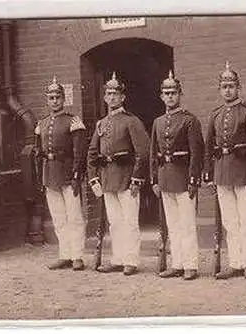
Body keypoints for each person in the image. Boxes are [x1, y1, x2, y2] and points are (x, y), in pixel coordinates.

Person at [203, 61, 246, 280]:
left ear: (238, 87)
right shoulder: (215, 115)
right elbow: (208, 146)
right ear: (219, 89)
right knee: (229, 221)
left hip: (243, 173)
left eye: (231, 86)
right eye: (224, 86)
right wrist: (209, 175)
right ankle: (235, 262)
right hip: (222, 172)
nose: (227, 90)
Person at [87, 72, 150, 276]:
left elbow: (142, 151)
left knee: (130, 221)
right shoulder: (101, 123)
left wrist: (137, 178)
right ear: (105, 97)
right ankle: (118, 258)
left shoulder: (131, 121)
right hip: (107, 178)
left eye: (116, 93)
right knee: (115, 222)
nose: (112, 97)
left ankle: (131, 260)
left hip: (126, 178)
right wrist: (93, 177)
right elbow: (92, 152)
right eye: (109, 93)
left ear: (123, 97)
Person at [150, 70, 204, 281]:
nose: (170, 96)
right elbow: (154, 154)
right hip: (165, 178)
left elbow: (197, 153)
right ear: (161, 96)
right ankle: (178, 263)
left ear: (180, 94)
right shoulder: (158, 122)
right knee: (173, 225)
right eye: (166, 92)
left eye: (173, 92)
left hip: (183, 178)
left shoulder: (189, 121)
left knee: (187, 224)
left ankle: (190, 265)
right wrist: (154, 179)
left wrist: (193, 179)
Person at [34, 76, 87, 271]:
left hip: (67, 175)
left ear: (63, 99)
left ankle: (77, 256)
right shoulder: (43, 123)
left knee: (74, 217)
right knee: (58, 218)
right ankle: (65, 254)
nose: (54, 101)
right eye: (51, 97)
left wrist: (76, 175)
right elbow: (39, 154)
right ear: (47, 100)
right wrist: (42, 177)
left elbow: (79, 152)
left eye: (57, 97)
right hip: (51, 175)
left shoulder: (73, 121)